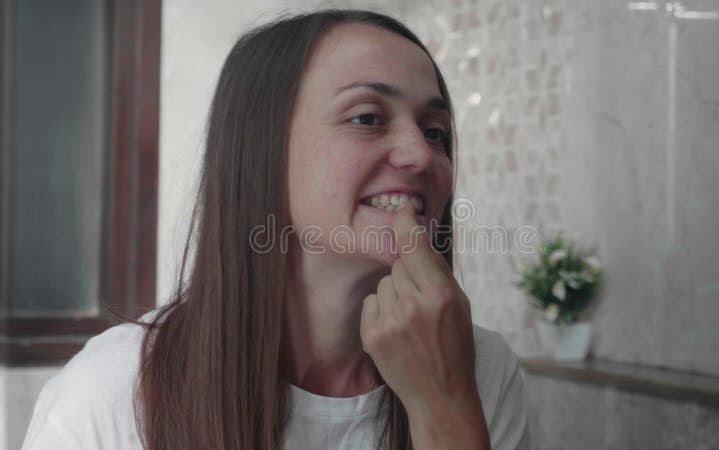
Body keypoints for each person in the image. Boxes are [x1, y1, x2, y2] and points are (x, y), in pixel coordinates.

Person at [21, 9, 531, 450]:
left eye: (436, 132)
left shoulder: (482, 371)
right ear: (260, 149)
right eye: (367, 118)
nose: (422, 154)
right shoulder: (113, 391)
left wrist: (445, 405)